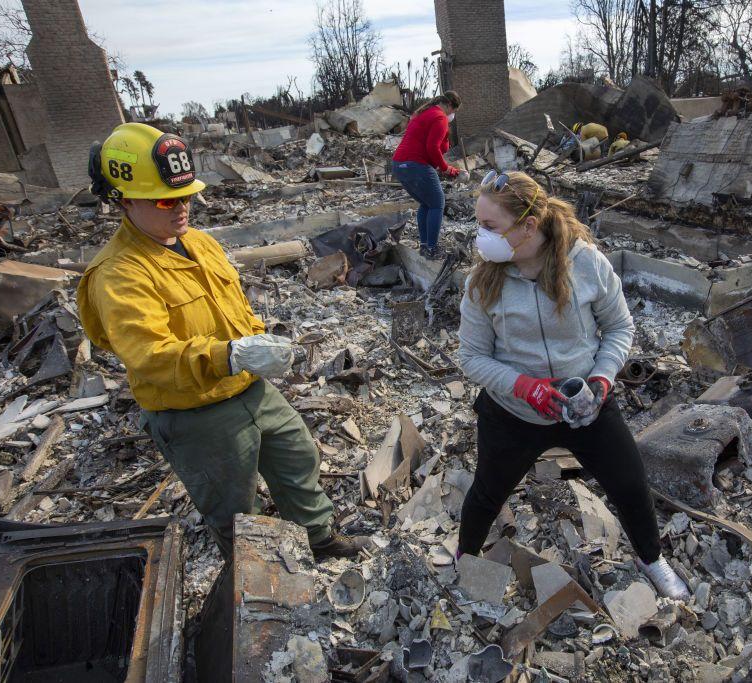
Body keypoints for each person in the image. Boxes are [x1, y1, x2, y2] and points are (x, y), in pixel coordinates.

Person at [77, 123, 366, 559]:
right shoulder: (120, 273)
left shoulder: (197, 243)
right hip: (195, 413)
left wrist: (258, 339)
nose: (182, 207)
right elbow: (149, 356)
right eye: (166, 199)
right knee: (233, 504)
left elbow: (233, 304)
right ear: (124, 198)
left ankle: (317, 538)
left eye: (187, 195)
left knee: (297, 456)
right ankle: (250, 572)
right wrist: (229, 355)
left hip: (247, 386)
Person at [456, 170, 690, 600]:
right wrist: (525, 388)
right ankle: (464, 558)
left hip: (586, 406)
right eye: (478, 224)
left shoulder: (585, 263)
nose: (479, 237)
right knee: (488, 493)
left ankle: (651, 557)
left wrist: (602, 379)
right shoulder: (482, 281)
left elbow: (619, 327)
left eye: (489, 227)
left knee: (631, 485)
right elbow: (471, 357)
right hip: (514, 412)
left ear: (528, 225)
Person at [392, 90, 467, 259]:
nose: (452, 115)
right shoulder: (440, 117)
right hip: (415, 164)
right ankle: (431, 248)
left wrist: (446, 137)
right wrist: (446, 168)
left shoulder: (423, 113)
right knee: (437, 203)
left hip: (399, 164)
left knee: (426, 203)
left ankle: (425, 246)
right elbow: (432, 148)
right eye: (454, 111)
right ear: (449, 105)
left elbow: (441, 148)